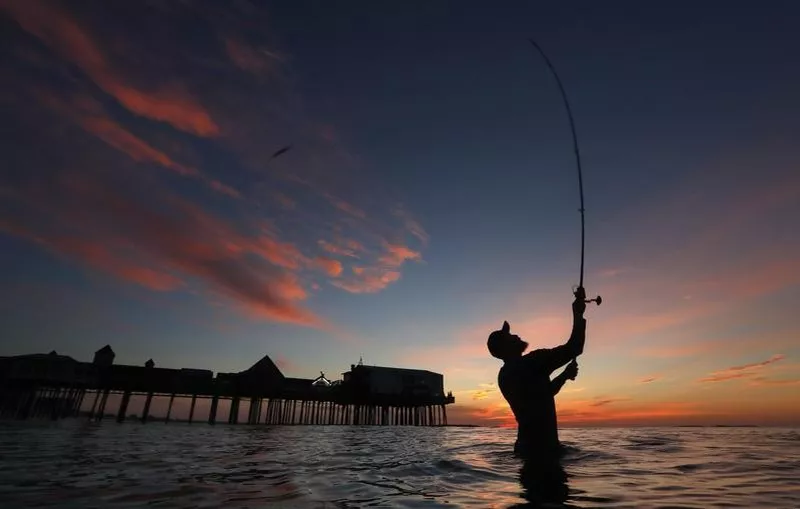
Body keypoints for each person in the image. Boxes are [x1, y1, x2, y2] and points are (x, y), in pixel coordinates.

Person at [487, 292, 587, 459]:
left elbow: (538, 395)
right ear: (504, 348)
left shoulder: (503, 376)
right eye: (509, 336)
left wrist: (564, 375)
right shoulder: (534, 361)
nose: (515, 335)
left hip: (524, 448)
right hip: (544, 448)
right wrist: (578, 314)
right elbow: (575, 347)